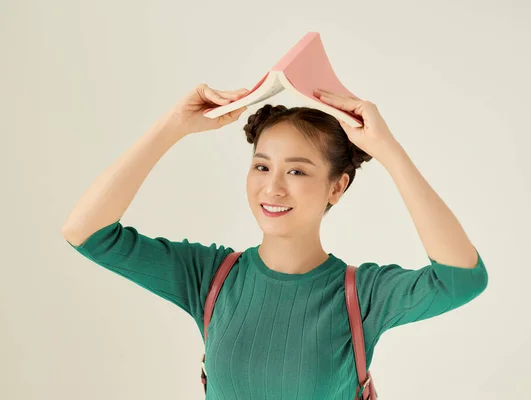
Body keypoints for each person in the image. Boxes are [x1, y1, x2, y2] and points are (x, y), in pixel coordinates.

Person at [62, 83, 489, 399]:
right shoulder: (210, 279)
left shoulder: (363, 296)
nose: (273, 188)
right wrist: (171, 127)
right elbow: (86, 232)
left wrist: (390, 152)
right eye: (262, 167)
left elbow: (461, 279)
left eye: (298, 171)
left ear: (337, 188)